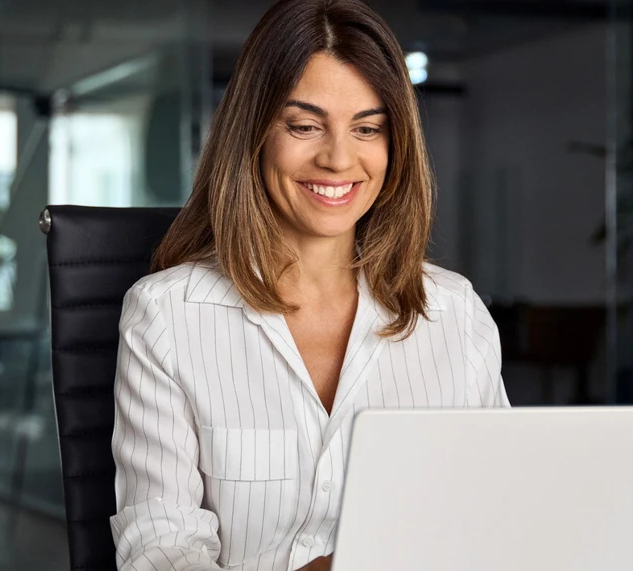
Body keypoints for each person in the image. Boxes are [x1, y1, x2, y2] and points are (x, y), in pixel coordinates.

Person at [109, 1, 509, 570]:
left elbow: (498, 515)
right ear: (254, 135)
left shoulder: (455, 315)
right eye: (304, 125)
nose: (338, 158)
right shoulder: (168, 315)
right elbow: (159, 546)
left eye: (367, 128)